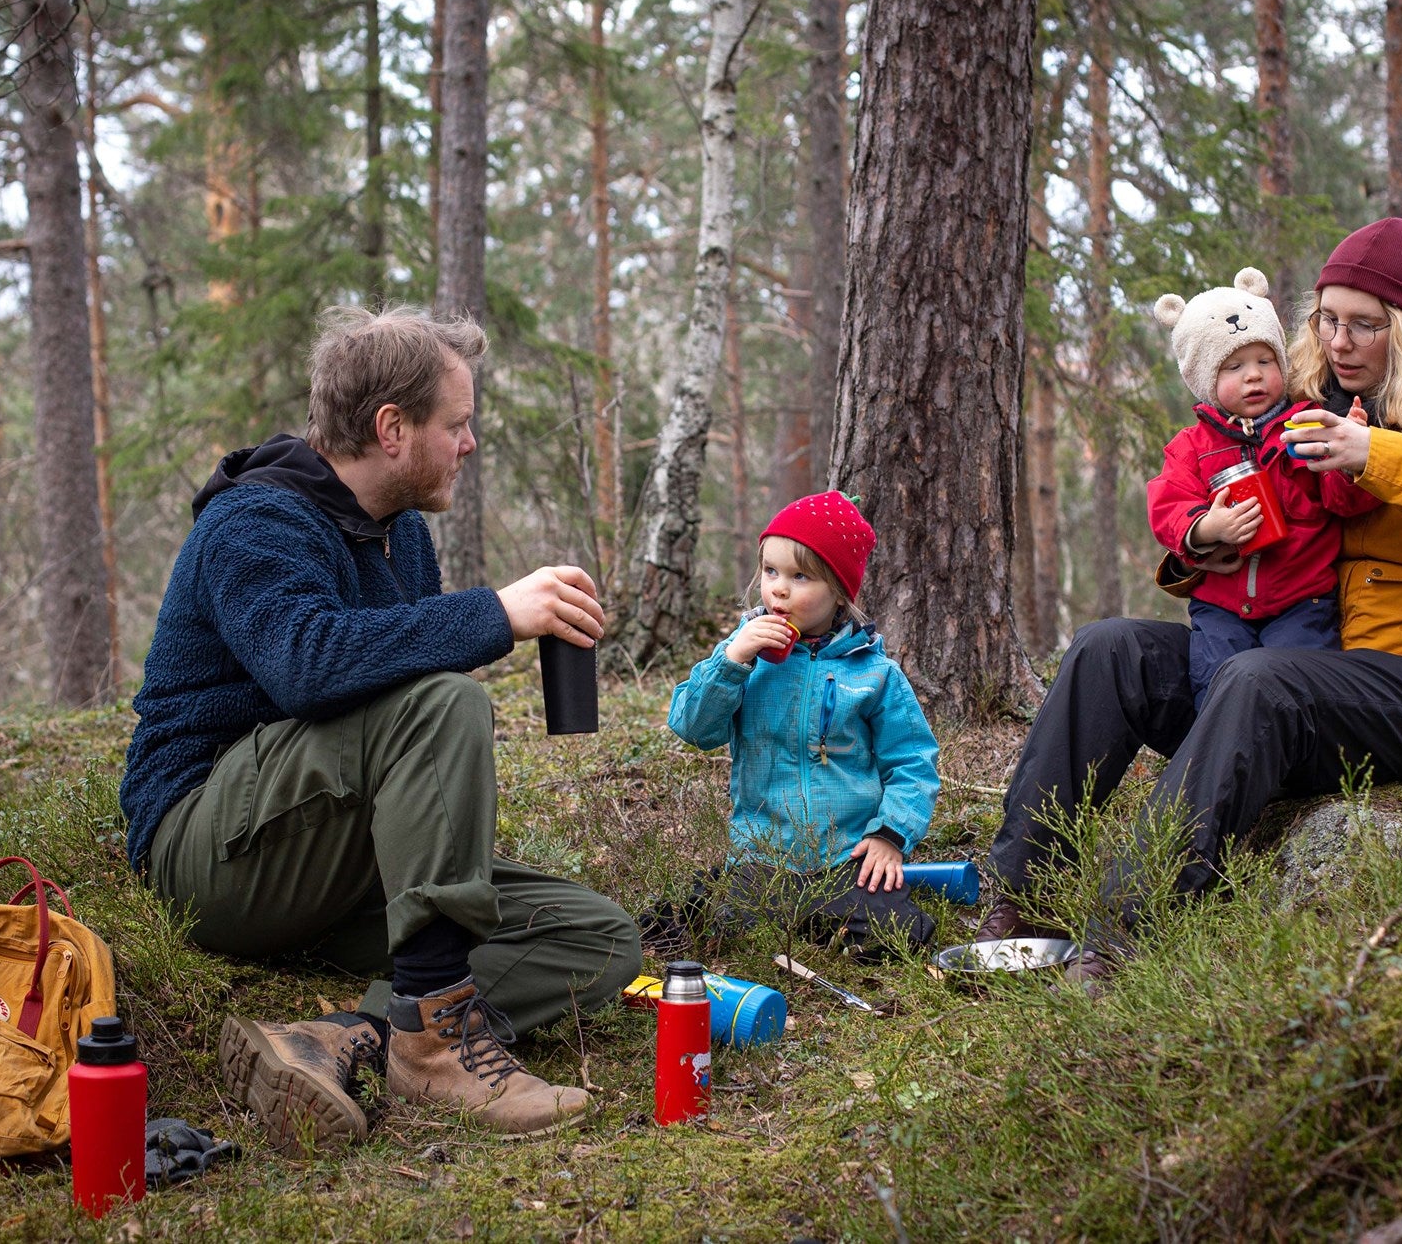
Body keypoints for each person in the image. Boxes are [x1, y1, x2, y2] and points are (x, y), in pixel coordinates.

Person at [120, 306, 641, 1151]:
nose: (469, 444)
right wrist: (496, 613)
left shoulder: (402, 533)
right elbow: (308, 665)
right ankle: (436, 1050)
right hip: (210, 856)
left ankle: (352, 1033)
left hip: (333, 861)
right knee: (444, 701)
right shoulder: (254, 523)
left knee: (595, 937)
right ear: (391, 428)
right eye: (457, 424)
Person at [979, 218, 1402, 982]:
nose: (1340, 341)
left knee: (1261, 679)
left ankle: (1123, 935)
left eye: (1363, 325)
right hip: (1302, 670)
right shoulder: (1302, 393)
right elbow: (1212, 493)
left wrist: (1378, 454)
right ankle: (1020, 897)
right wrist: (1203, 546)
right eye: (1327, 319)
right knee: (1107, 647)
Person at [655, 492, 942, 959]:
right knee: (723, 929)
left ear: (839, 590)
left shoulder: (874, 673)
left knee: (898, 935)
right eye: (770, 571)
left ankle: (818, 919)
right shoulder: (743, 656)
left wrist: (890, 834)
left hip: (847, 858)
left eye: (800, 576)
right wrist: (732, 661)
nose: (779, 589)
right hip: (764, 856)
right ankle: (743, 905)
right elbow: (693, 727)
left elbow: (912, 762)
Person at [1146, 267, 1381, 707]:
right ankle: (1220, 761)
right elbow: (1168, 505)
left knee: (1300, 684)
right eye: (1233, 367)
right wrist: (1206, 528)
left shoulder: (1306, 423)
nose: (1253, 376)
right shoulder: (1191, 447)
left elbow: (1344, 502)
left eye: (1264, 361)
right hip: (1221, 607)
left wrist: (1352, 455)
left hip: (1302, 600)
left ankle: (1303, 765)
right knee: (1216, 686)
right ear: (1204, 379)